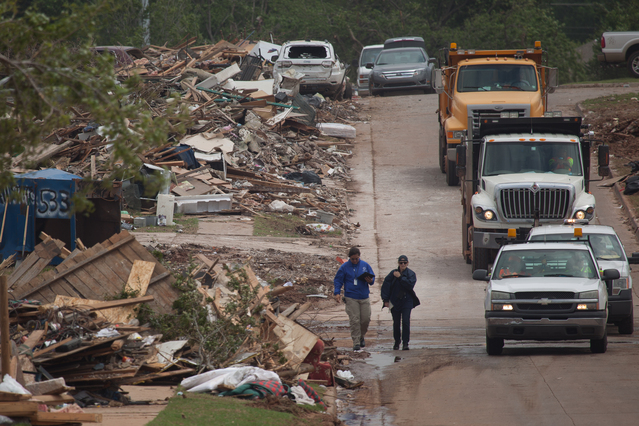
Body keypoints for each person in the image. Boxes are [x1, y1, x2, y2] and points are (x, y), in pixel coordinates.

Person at [333, 247, 375, 351]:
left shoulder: (365, 265)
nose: (355, 261)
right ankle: (356, 342)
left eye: (357, 259)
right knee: (355, 320)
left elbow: (372, 279)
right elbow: (338, 280)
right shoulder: (344, 267)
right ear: (349, 258)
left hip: (364, 297)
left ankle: (361, 336)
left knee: (365, 319)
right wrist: (337, 293)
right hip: (351, 297)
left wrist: (370, 280)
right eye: (353, 259)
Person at [381, 255, 419, 351]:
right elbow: (385, 286)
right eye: (401, 263)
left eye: (404, 263)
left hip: (407, 301)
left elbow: (410, 285)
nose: (403, 264)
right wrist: (385, 300)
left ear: (407, 263)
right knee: (396, 323)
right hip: (395, 301)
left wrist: (400, 277)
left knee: (405, 322)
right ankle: (397, 342)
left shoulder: (411, 274)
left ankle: (405, 343)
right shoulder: (393, 274)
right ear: (398, 263)